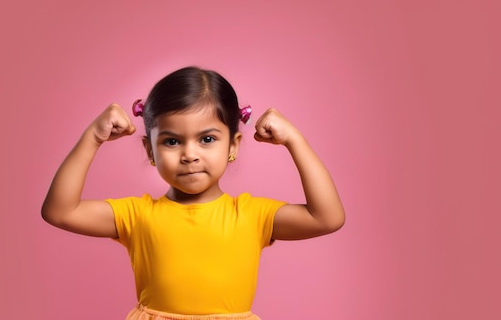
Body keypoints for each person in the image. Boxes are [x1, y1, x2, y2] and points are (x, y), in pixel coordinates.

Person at [41, 66, 345, 319]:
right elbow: (60, 211)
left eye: (207, 139)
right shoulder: (136, 215)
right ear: (150, 150)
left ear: (233, 146)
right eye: (172, 141)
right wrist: (93, 137)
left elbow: (327, 217)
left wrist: (295, 139)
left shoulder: (252, 215)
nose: (189, 154)